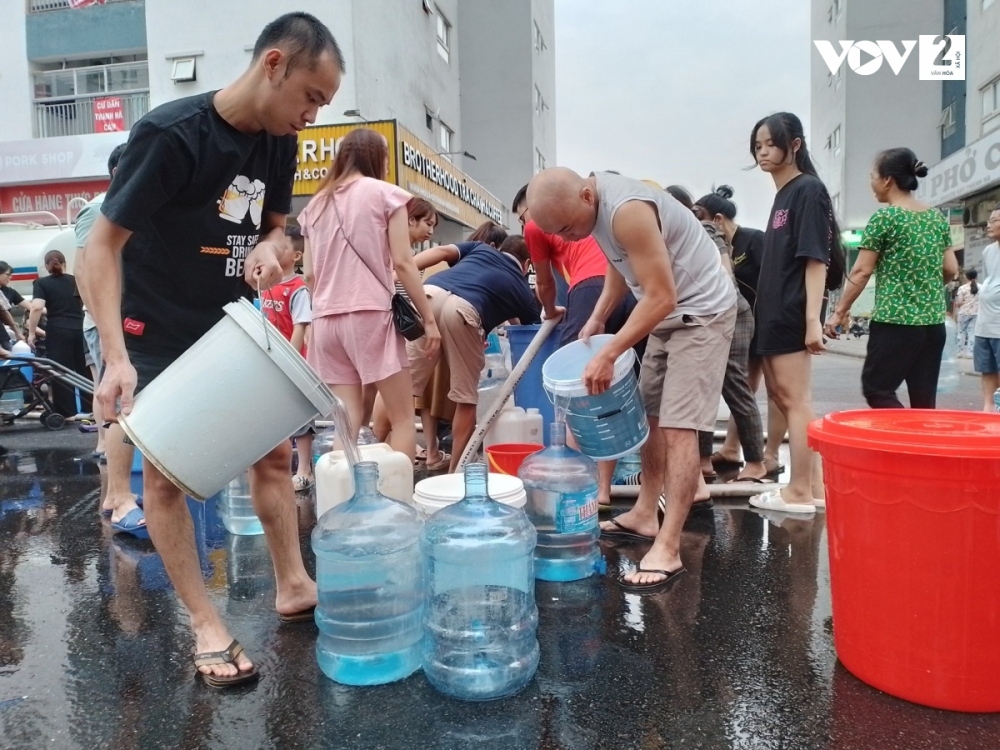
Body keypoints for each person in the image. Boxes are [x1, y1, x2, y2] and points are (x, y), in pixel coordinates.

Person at [77, 12, 344, 688]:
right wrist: (114, 357)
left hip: (229, 323)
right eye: (311, 97)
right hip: (156, 329)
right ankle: (205, 622)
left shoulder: (279, 143)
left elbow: (280, 233)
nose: (312, 117)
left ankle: (292, 582)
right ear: (275, 64)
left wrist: (270, 249)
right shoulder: (171, 134)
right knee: (167, 478)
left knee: (275, 454)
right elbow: (96, 250)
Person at [527, 168, 737, 594]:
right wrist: (601, 315)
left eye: (567, 228)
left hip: (701, 314)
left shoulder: (628, 210)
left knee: (679, 427)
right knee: (651, 420)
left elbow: (662, 295)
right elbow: (620, 266)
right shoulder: (596, 210)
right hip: (666, 317)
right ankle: (645, 513)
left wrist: (610, 351)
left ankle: (669, 546)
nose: (566, 239)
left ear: (587, 196)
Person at [299, 127, 440, 462]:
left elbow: (309, 274)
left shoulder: (315, 205)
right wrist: (429, 320)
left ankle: (342, 500)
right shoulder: (386, 195)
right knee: (404, 418)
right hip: (369, 314)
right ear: (378, 158)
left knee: (347, 423)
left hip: (326, 322)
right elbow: (404, 263)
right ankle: (399, 505)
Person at [513, 183, 642, 507]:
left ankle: (578, 490)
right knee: (610, 395)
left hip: (589, 291)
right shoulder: (589, 217)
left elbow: (544, 282)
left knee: (576, 398)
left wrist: (551, 308)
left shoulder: (535, 225)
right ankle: (602, 490)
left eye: (522, 215)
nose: (525, 223)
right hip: (629, 290)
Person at [748, 112, 843, 515]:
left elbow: (816, 260)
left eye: (770, 144)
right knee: (782, 398)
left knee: (795, 399)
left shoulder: (808, 190)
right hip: (771, 311)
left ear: (796, 145)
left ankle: (799, 491)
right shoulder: (782, 195)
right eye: (757, 146)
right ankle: (815, 488)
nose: (763, 152)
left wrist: (811, 322)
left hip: (790, 311)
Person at [825, 148, 958, 409]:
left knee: (877, 389)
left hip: (895, 324)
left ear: (887, 180)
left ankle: (902, 443)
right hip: (932, 326)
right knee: (924, 401)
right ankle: (919, 447)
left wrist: (840, 311)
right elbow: (951, 269)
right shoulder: (935, 218)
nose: (871, 182)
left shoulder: (885, 218)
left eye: (872, 176)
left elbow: (862, 270)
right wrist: (925, 286)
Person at [406, 231, 539, 473]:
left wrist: (399, 271)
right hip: (463, 312)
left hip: (429, 294)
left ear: (500, 249)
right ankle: (455, 472)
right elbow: (527, 333)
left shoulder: (480, 249)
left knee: (401, 385)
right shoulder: (523, 290)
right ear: (527, 264)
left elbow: (441, 251)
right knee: (465, 398)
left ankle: (378, 450)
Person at [75, 143, 148, 534]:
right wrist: (108, 330)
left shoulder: (136, 205)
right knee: (121, 397)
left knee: (130, 400)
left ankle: (119, 495)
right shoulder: (99, 208)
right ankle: (118, 496)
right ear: (119, 171)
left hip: (134, 316)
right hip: (112, 322)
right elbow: (85, 268)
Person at [694, 186, 786, 480]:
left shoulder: (753, 240)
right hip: (731, 321)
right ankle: (731, 449)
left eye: (701, 218)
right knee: (738, 386)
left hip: (757, 323)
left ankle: (766, 457)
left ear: (717, 219)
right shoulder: (716, 243)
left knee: (758, 389)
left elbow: (773, 284)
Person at [262, 227, 315, 491]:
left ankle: (305, 469)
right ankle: (277, 468)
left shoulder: (297, 289)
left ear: (296, 255)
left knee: (301, 418)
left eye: (280, 248)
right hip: (269, 361)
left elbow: (300, 326)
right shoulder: (265, 283)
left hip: (292, 363)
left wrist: (291, 361)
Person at [27, 251, 92, 418]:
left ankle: (66, 412)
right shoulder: (75, 280)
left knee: (60, 371)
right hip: (81, 328)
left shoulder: (41, 283)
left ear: (45, 265)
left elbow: (36, 307)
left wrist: (32, 333)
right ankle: (91, 409)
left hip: (58, 330)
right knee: (85, 370)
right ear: (65, 264)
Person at [974, 203, 1000, 412]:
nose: (988, 225)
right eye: (989, 220)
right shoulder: (988, 251)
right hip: (984, 325)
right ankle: (988, 408)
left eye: (994, 221)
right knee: (987, 369)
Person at [955, 269, 979, 358]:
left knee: (961, 332)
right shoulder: (981, 287)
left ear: (966, 277)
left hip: (963, 313)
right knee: (972, 333)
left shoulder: (962, 288)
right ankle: (970, 353)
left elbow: (960, 302)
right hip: (976, 313)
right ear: (976, 277)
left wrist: (957, 304)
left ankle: (959, 352)